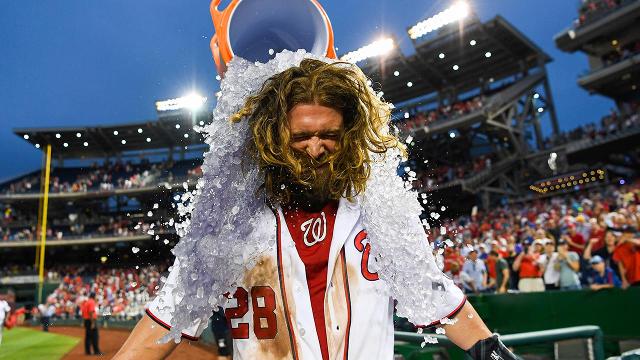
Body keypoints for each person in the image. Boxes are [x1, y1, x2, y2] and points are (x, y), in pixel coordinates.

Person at [115, 57, 516, 359]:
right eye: (301, 135)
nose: (316, 147)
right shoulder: (229, 222)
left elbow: (434, 296)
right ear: (272, 138)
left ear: (351, 135)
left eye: (330, 134)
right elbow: (170, 314)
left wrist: (493, 352)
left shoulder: (378, 209)